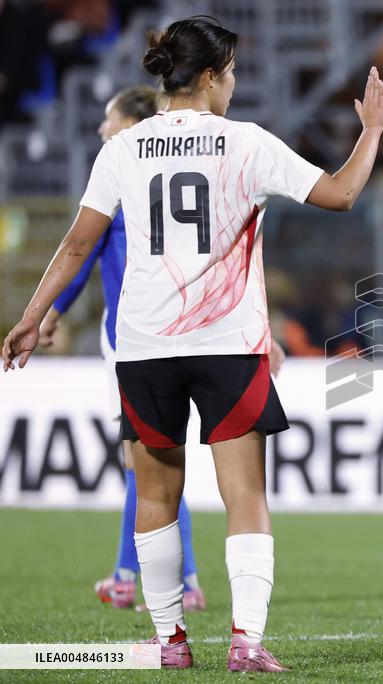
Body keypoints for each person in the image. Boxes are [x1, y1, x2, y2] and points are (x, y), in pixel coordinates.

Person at [2, 15, 383, 671]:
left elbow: (76, 242)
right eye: (231, 73)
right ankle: (246, 643)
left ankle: (170, 643)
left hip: (144, 343)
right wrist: (372, 129)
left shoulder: (123, 148)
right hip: (227, 343)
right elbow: (343, 193)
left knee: (154, 496)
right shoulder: (245, 144)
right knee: (246, 495)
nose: (233, 86)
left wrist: (32, 315)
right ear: (209, 77)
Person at [38, 84, 221, 614]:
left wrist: (49, 313)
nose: (101, 130)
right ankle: (130, 575)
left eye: (108, 119)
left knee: (149, 464)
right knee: (145, 463)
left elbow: (80, 248)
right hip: (174, 332)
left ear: (133, 123)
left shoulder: (121, 185)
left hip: (134, 340)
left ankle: (175, 580)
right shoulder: (155, 183)